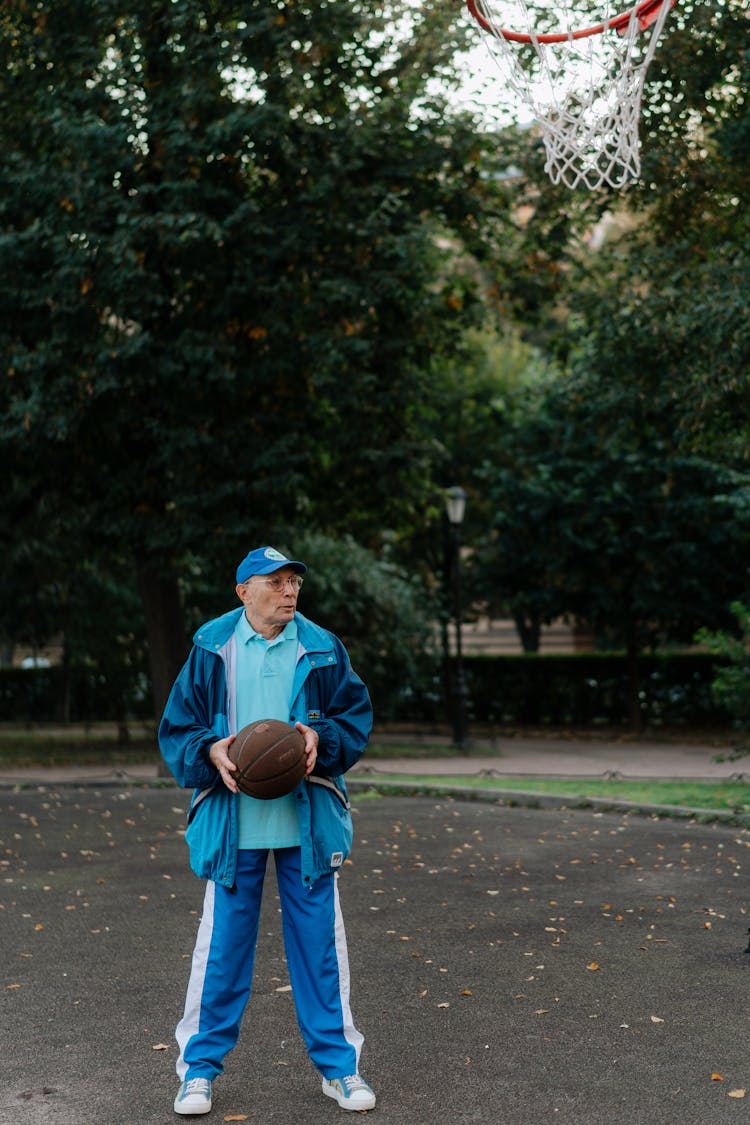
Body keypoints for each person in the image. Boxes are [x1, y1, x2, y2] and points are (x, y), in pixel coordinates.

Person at [159, 546, 376, 1116]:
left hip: (308, 825)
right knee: (222, 954)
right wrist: (209, 748)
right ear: (243, 591)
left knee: (320, 951)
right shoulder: (211, 646)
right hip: (234, 827)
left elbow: (354, 723)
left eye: (294, 582)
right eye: (275, 582)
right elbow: (178, 728)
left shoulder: (323, 649)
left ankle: (339, 1069)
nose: (289, 591)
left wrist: (318, 739)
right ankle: (198, 1072)